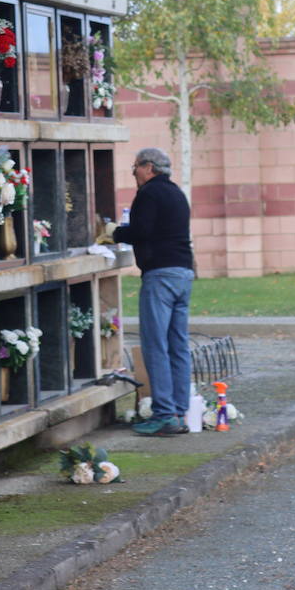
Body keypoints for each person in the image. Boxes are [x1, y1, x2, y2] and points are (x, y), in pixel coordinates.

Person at [110, 147, 195, 436]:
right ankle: (181, 412)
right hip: (184, 273)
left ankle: (164, 414)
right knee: (178, 345)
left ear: (149, 167)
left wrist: (113, 232)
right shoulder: (176, 193)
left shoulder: (148, 194)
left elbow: (140, 231)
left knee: (155, 345)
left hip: (160, 275)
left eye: (135, 166)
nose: (133, 172)